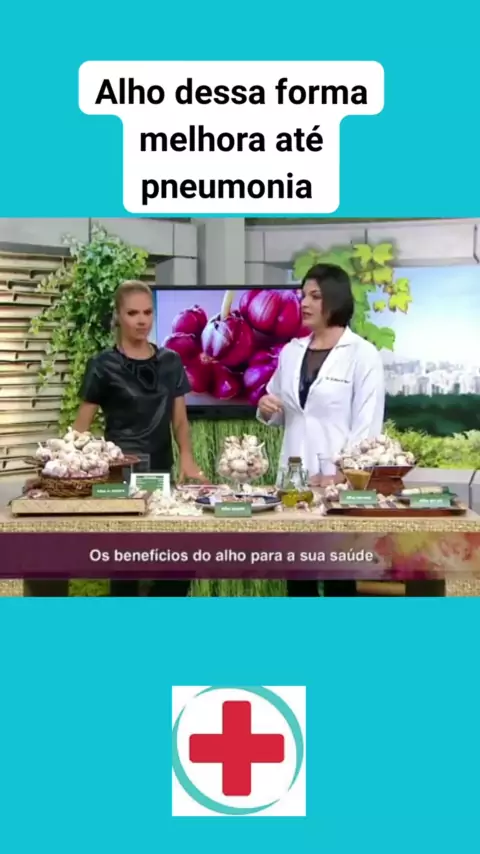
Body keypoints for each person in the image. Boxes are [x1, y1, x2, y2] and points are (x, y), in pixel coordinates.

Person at [257, 264, 385, 598]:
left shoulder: (362, 354)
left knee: (339, 577)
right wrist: (266, 408)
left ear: (335, 298)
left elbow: (368, 424)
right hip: (293, 480)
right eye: (303, 295)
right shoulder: (291, 351)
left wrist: (343, 474)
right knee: (298, 577)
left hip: (337, 484)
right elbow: (279, 407)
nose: (304, 303)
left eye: (315, 296)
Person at [74, 279, 207, 597]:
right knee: (126, 567)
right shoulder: (102, 365)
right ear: (118, 316)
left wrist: (187, 458)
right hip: (120, 480)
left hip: (161, 474)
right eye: (133, 313)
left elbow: (179, 420)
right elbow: (80, 431)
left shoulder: (171, 361)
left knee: (178, 564)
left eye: (147, 312)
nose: (141, 320)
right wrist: (73, 472)